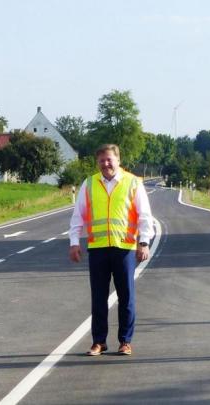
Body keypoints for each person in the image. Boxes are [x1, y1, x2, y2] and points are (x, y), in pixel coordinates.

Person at [69, 144, 155, 356]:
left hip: (124, 248)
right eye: (102, 161)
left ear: (118, 160)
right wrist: (73, 242)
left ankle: (125, 341)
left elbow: (144, 215)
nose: (106, 164)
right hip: (97, 248)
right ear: (97, 163)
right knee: (98, 297)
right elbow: (78, 215)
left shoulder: (133, 182)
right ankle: (99, 342)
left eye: (109, 160)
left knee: (126, 297)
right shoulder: (89, 184)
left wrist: (143, 242)